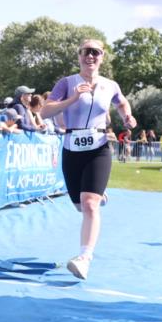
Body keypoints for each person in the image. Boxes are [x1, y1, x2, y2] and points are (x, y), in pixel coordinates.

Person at [41, 39, 136, 280]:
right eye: (85, 52)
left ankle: (84, 258)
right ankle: (97, 193)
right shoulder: (66, 83)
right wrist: (72, 98)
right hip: (71, 148)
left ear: (102, 57)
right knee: (79, 205)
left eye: (95, 52)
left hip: (98, 147)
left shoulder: (110, 85)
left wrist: (127, 116)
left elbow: (122, 102)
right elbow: (45, 112)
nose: (90, 56)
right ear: (79, 56)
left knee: (89, 204)